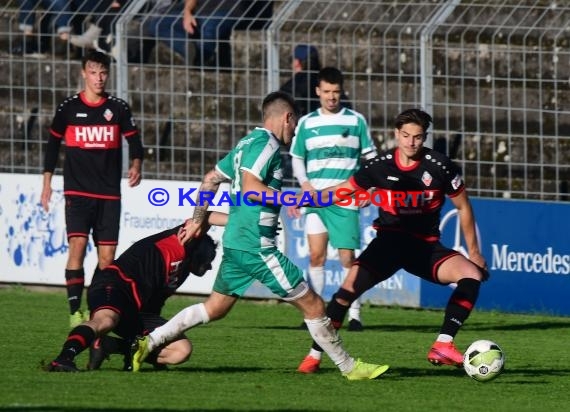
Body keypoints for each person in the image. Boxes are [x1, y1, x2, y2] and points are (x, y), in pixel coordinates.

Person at [131, 91, 389, 380]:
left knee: (214, 308)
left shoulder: (246, 143)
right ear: (287, 118)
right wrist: (291, 199)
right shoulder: (266, 145)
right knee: (314, 304)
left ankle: (148, 342)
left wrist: (197, 219)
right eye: (294, 124)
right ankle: (350, 367)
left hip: (237, 243)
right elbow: (253, 189)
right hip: (256, 246)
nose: (294, 131)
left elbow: (210, 179)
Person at [295, 108, 489, 374]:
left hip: (425, 247)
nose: (411, 142)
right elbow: (343, 191)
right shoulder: (379, 166)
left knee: (471, 275)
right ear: (396, 134)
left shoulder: (441, 166)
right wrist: (310, 198)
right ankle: (314, 355)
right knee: (344, 295)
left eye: (418, 137)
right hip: (387, 245)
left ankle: (443, 344)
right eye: (406, 135)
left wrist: (474, 252)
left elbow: (464, 207)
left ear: (425, 137)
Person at [45, 212, 225, 372]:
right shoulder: (183, 240)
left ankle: (111, 346)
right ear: (198, 250)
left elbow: (154, 307)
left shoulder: (181, 273)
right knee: (106, 320)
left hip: (137, 310)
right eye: (209, 259)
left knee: (181, 351)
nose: (209, 266)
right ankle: (64, 358)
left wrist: (150, 344)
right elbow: (206, 216)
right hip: (116, 285)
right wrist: (237, 220)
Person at [41, 50, 144, 329]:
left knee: (107, 260)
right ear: (83, 73)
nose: (99, 78)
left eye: (103, 73)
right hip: (78, 192)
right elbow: (52, 146)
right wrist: (47, 182)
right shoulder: (69, 108)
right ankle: (75, 311)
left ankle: (96, 307)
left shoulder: (119, 108)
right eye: (94, 72)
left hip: (109, 193)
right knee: (77, 246)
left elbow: (135, 143)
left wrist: (136, 164)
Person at [289, 67, 377, 336]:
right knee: (316, 256)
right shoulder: (306, 123)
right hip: (315, 198)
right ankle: (317, 314)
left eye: (336, 92)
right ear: (318, 91)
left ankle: (355, 315)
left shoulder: (355, 121)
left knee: (347, 258)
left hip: (344, 198)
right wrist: (304, 184)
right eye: (326, 92)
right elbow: (296, 157)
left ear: (341, 91)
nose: (331, 97)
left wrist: (368, 188)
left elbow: (370, 158)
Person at [144, 0, 244, 68]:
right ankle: (192, 51)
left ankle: (203, 59)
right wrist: (187, 12)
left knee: (209, 27)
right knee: (158, 24)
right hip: (200, 10)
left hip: (227, 10)